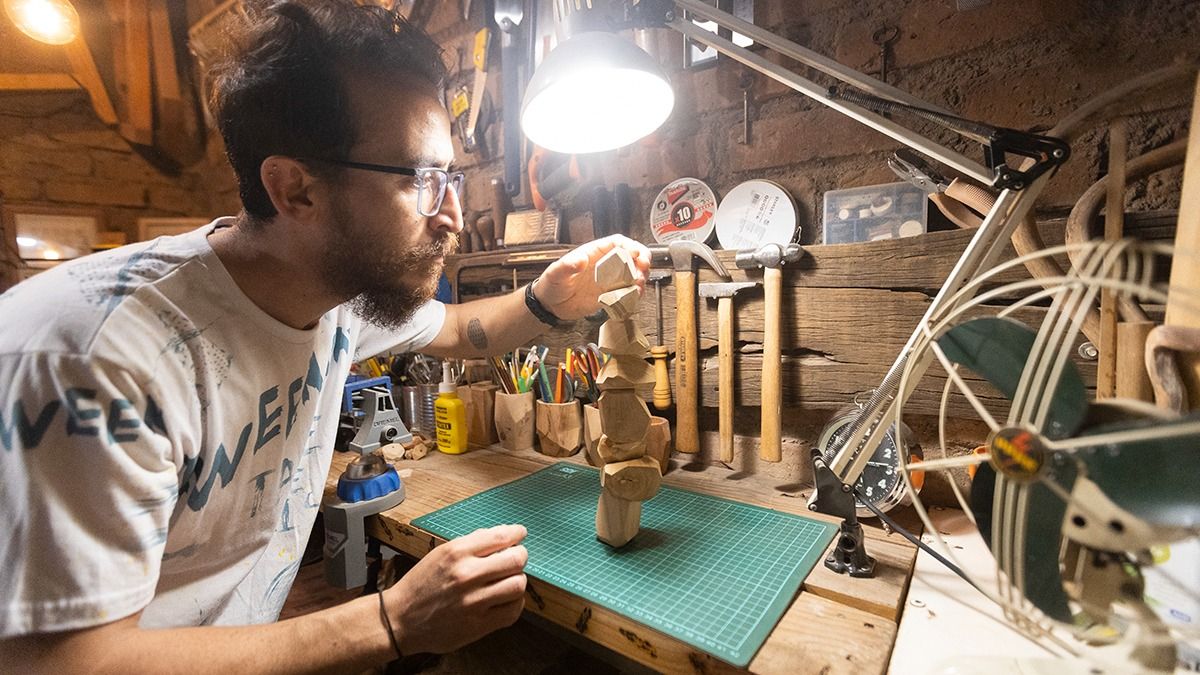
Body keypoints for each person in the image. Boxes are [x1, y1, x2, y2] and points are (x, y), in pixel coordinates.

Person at [0, 1, 650, 671]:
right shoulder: (92, 359)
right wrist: (391, 621)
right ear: (294, 189)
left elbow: (458, 330)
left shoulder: (332, 291)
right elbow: (68, 663)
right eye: (423, 181)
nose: (453, 215)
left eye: (451, 180)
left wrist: (550, 298)